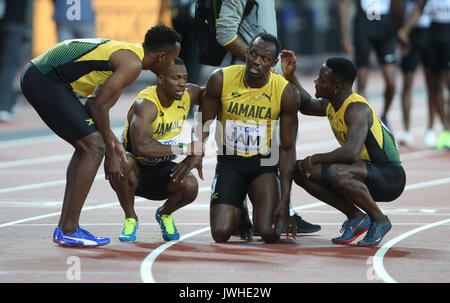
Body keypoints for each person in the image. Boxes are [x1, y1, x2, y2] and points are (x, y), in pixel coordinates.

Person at [20, 24, 182, 247]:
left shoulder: (131, 57)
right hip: (45, 78)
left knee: (90, 145)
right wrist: (110, 153)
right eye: (174, 59)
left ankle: (67, 227)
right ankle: (68, 229)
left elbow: (94, 105)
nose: (173, 65)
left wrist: (113, 144)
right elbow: (98, 109)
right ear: (162, 57)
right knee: (94, 147)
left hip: (44, 76)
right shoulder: (132, 64)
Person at [216, 0, 320, 234]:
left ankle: (281, 207)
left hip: (268, 78)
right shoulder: (252, 64)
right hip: (244, 81)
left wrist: (267, 64)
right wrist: (259, 62)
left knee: (274, 148)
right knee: (241, 145)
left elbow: (290, 142)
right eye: (257, 54)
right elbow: (225, 33)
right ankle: (236, 203)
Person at [281, 52, 406, 246]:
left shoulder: (356, 109)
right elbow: (305, 106)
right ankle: (356, 218)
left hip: (389, 176)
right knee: (300, 170)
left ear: (336, 87)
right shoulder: (332, 103)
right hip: (363, 170)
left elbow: (351, 153)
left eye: (321, 80)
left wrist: (316, 157)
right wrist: (291, 77)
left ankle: (380, 220)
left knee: (338, 171)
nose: (315, 82)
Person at [200, 33, 300, 243]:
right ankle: (240, 207)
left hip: (263, 162)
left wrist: (286, 199)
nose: (257, 61)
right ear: (246, 53)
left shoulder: (285, 91)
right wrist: (195, 154)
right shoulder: (221, 78)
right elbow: (204, 123)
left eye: (265, 58)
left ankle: (250, 198)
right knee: (221, 233)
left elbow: (288, 148)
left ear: (274, 63)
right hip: (230, 161)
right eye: (253, 54)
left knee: (269, 233)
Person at [109, 57, 204, 242]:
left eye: (185, 78)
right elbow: (142, 147)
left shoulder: (188, 94)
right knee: (124, 161)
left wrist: (199, 141)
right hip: (134, 172)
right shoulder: (146, 104)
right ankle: (130, 218)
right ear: (161, 79)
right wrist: (185, 148)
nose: (182, 84)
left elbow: (214, 97)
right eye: (176, 78)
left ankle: (164, 214)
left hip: (162, 171)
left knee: (190, 185)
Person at [339, 0, 403, 131]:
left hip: (385, 27)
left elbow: (397, 5)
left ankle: (384, 116)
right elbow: (344, 4)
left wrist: (401, 30)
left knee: (391, 82)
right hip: (363, 26)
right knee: (361, 82)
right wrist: (345, 36)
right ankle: (366, 124)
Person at [398, 0, 450, 149]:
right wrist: (405, 30)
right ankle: (445, 130)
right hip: (432, 35)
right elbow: (419, 8)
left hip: (442, 34)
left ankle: (435, 129)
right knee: (435, 85)